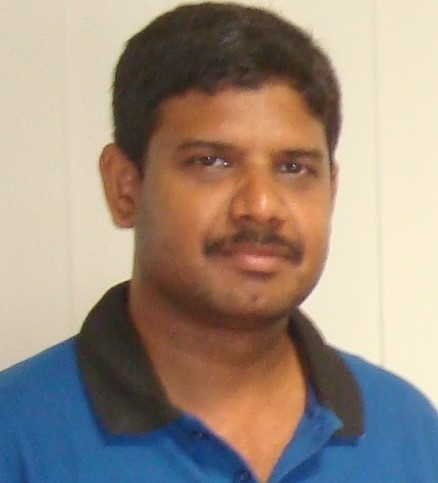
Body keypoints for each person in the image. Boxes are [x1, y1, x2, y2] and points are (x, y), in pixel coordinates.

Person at [1, 2, 437, 482]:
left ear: (331, 191)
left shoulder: (407, 434)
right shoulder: (17, 435)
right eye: (212, 162)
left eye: (294, 168)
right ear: (125, 187)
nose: (261, 205)